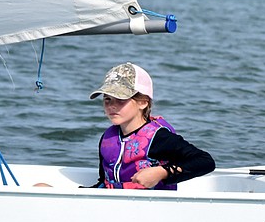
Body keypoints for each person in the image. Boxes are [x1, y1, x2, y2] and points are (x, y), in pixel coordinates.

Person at [90, 62, 214, 190]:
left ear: (143, 102)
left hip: (153, 206)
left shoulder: (159, 138)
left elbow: (205, 161)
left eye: (121, 99)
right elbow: (103, 180)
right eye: (107, 99)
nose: (112, 106)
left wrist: (161, 172)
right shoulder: (109, 138)